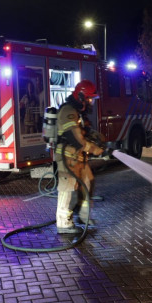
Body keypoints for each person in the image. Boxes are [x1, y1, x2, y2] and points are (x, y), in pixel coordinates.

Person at [54, 80, 107, 234]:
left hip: (78, 157)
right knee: (68, 188)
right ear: (82, 96)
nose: (91, 102)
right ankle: (63, 223)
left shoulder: (79, 113)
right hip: (67, 157)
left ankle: (83, 216)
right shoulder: (68, 111)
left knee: (88, 182)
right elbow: (77, 139)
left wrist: (96, 137)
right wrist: (95, 149)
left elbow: (85, 131)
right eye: (90, 99)